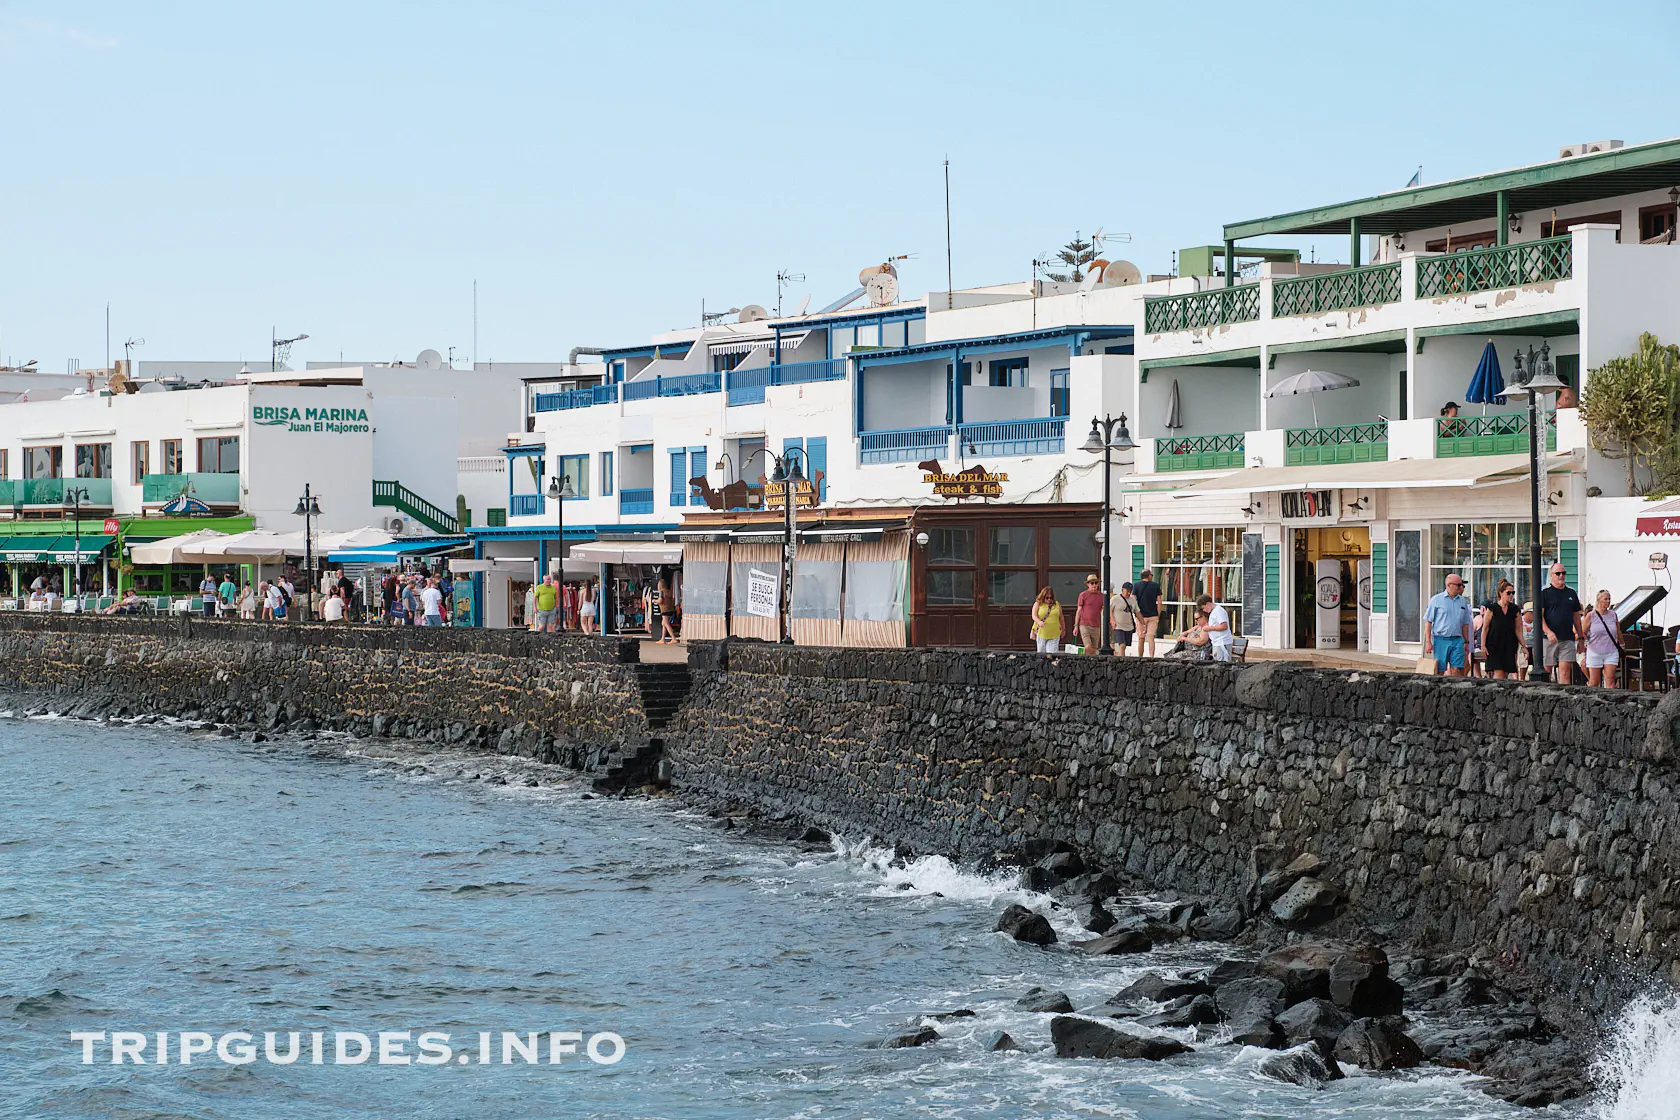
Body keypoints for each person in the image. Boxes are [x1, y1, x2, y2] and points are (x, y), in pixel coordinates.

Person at [1539, 562, 1584, 685]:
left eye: (1563, 573)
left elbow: (1576, 617)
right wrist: (1548, 631)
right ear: (1552, 575)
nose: (1561, 576)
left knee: (1565, 673)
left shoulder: (1571, 593)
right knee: (1546, 672)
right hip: (1549, 639)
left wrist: (1580, 638)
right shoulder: (1545, 593)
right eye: (1558, 573)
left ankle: (1564, 700)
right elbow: (1539, 616)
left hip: (1567, 637)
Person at [1423, 573, 1473, 677]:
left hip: (1457, 640)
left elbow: (1465, 624)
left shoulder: (1462, 602)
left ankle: (1456, 691)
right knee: (1440, 670)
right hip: (1441, 639)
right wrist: (1428, 642)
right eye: (1458, 585)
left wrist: (1466, 641)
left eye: (1462, 585)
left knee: (1458, 670)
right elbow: (1428, 621)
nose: (1461, 587)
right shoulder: (1436, 600)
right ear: (1449, 585)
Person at [1481, 579, 1522, 680]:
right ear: (1501, 593)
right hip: (1494, 644)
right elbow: (1485, 628)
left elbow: (1518, 630)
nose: (1511, 595)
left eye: (1513, 593)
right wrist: (1483, 645)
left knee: (1505, 674)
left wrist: (1524, 646)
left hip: (1509, 644)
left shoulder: (1515, 609)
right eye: (1508, 593)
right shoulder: (1492, 608)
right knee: (1498, 673)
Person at [1583, 589, 1622, 688]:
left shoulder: (1613, 614)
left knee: (1610, 680)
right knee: (1594, 682)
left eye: (1609, 599)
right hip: (1595, 651)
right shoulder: (1591, 615)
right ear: (1599, 600)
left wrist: (1622, 644)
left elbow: (1618, 631)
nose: (1608, 601)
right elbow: (1583, 631)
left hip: (1611, 651)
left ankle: (1610, 701)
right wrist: (1584, 642)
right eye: (1605, 599)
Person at [1133, 568, 1163, 657]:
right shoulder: (1156, 586)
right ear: (1149, 576)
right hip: (1153, 615)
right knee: (1151, 637)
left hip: (1140, 616)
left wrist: (1136, 614)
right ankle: (1151, 657)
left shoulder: (1136, 585)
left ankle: (1140, 657)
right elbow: (1159, 602)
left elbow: (1134, 601)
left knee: (1141, 638)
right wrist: (1158, 614)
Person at [1197, 593, 1233, 662]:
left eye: (1203, 608)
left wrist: (1209, 628)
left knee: (1222, 664)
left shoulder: (1218, 611)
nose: (1204, 610)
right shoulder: (1214, 611)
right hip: (1217, 642)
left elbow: (1224, 626)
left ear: (1207, 603)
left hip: (1222, 642)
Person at [1075, 574, 1105, 653]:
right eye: (1092, 583)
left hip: (1096, 625)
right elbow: (1079, 610)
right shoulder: (1083, 595)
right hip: (1084, 625)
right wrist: (1076, 626)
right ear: (1088, 584)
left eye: (1096, 583)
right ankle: (1094, 656)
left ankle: (1089, 663)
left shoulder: (1101, 596)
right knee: (1088, 646)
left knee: (1094, 648)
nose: (1094, 585)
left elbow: (1105, 609)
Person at [1030, 586, 1063, 654]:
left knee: (1052, 655)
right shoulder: (1038, 604)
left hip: (1054, 632)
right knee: (1041, 653)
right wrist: (1039, 622)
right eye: (1047, 598)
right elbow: (1034, 615)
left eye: (1051, 598)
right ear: (1043, 596)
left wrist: (1063, 629)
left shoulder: (1057, 604)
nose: (1049, 599)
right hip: (1042, 632)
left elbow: (1061, 617)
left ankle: (1050, 664)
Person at [1109, 581, 1139, 656]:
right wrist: (1112, 619)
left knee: (1124, 646)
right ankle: (1121, 661)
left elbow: (1137, 612)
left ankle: (1120, 658)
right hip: (1118, 626)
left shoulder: (1133, 600)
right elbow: (1109, 609)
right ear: (1122, 590)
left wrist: (1143, 623)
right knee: (1121, 645)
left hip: (1128, 627)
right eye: (1127, 591)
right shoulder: (1115, 599)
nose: (1129, 593)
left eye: (1130, 591)